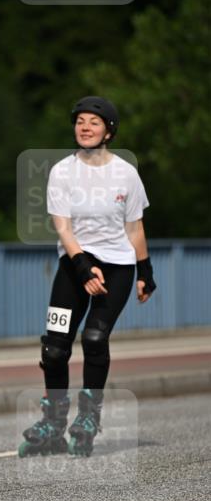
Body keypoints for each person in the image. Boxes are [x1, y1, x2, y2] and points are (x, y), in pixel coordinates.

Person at [19, 96, 157, 458]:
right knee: (54, 347)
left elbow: (135, 226)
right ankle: (53, 423)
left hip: (117, 266)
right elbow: (62, 227)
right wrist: (81, 266)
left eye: (94, 122)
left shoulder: (126, 172)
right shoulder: (62, 171)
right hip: (74, 265)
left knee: (94, 337)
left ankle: (89, 419)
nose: (85, 127)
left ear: (108, 130)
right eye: (80, 121)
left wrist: (145, 271)